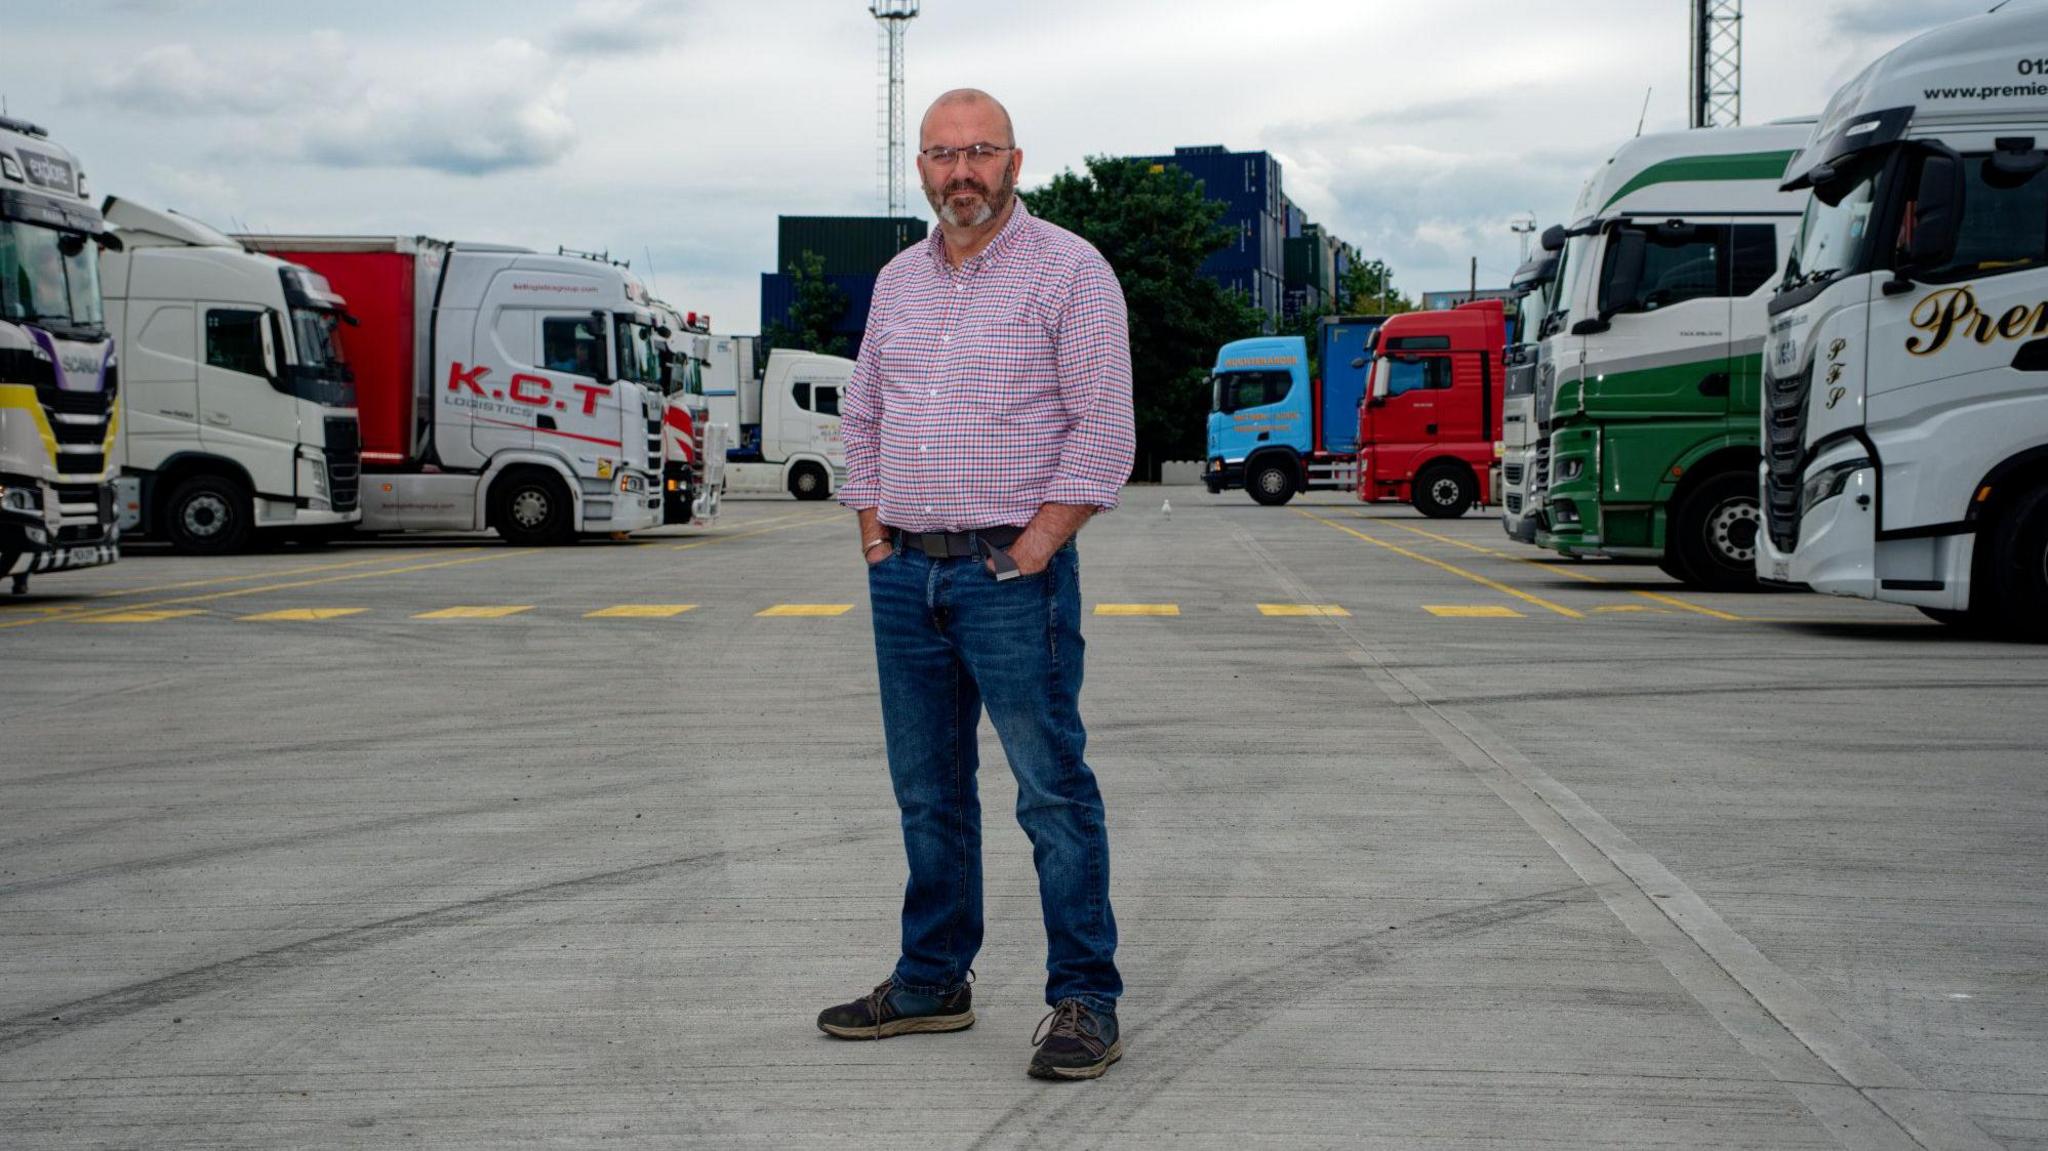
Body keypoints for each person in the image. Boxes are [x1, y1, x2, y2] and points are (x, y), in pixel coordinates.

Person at [816, 88, 1136, 1082]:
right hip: (903, 572)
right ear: (919, 168)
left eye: (979, 152)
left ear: (1014, 161)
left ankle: (1084, 995)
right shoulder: (898, 280)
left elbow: (1103, 432)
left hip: (1010, 573)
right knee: (927, 793)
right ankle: (931, 980)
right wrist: (874, 535)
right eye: (941, 154)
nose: (960, 172)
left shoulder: (1068, 271)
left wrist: (1036, 546)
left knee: (1048, 791)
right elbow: (862, 414)